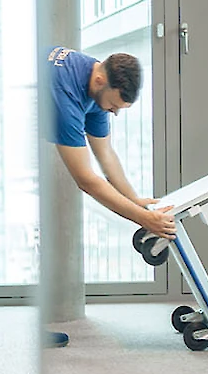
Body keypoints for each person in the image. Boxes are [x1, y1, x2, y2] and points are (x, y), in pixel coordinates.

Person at [42, 46, 178, 348]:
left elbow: (105, 156)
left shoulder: (96, 91)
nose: (114, 112)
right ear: (101, 79)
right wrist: (145, 219)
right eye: (114, 106)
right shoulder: (66, 91)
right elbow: (86, 180)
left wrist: (135, 201)